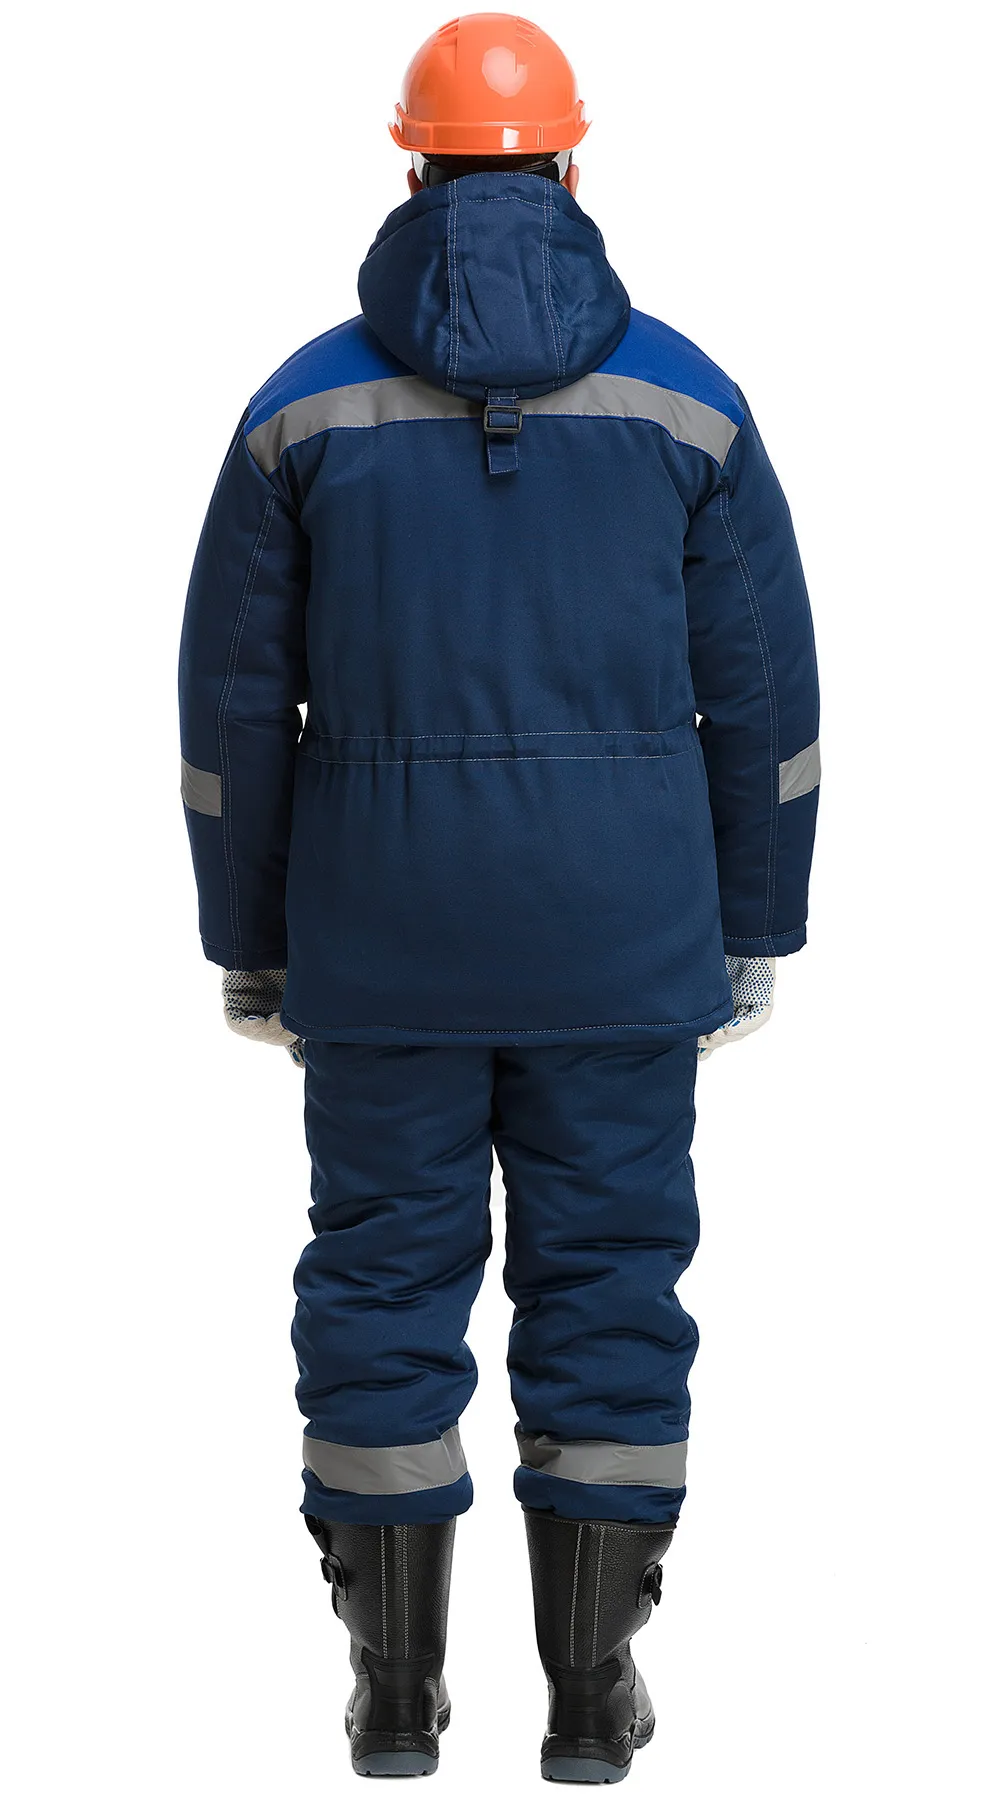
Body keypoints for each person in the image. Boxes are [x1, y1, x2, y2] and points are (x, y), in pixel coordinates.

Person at [178, 11, 820, 1784]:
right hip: (625, 935)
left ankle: (392, 1695)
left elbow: (230, 712)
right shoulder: (690, 400)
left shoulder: (300, 409)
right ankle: (595, 1694)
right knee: (610, 1279)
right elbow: (766, 697)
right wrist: (757, 924)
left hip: (380, 941)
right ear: (575, 161)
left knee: (383, 1277)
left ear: (408, 164)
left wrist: (252, 941)